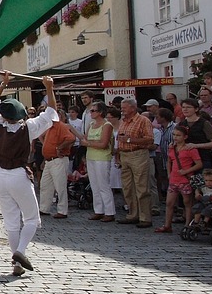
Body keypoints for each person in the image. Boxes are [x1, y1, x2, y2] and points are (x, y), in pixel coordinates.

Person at [0, 73, 60, 275]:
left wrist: (4, 83)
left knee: (11, 221)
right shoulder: (28, 128)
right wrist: (49, 88)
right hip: (18, 174)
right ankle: (19, 252)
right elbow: (51, 112)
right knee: (31, 219)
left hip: (0, 175)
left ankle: (16, 264)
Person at [114, 98, 156, 228]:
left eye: (124, 107)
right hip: (125, 155)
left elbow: (149, 139)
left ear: (133, 108)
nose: (122, 110)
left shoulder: (143, 121)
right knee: (127, 187)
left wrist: (129, 140)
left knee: (141, 186)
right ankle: (133, 214)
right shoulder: (123, 121)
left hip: (138, 154)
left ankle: (145, 217)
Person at [157, 124, 201, 233]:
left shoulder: (190, 149)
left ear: (185, 137)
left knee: (187, 202)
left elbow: (199, 164)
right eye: (174, 135)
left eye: (178, 135)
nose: (175, 137)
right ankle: (167, 225)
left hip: (185, 179)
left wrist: (186, 171)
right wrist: (169, 173)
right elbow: (169, 161)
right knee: (169, 203)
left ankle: (187, 224)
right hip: (174, 179)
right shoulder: (172, 147)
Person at [75, 102, 115, 221]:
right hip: (91, 156)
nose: (91, 113)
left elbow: (103, 143)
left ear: (100, 112)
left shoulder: (107, 125)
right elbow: (84, 139)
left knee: (103, 185)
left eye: (93, 111)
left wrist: (89, 144)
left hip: (102, 158)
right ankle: (98, 210)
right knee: (94, 184)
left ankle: (109, 211)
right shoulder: (91, 124)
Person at [37, 107, 76, 219]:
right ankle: (44, 208)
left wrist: (60, 148)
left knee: (60, 186)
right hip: (50, 160)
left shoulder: (60, 126)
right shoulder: (49, 127)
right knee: (45, 185)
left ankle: (62, 210)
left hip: (58, 160)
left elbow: (71, 138)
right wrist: (45, 159)